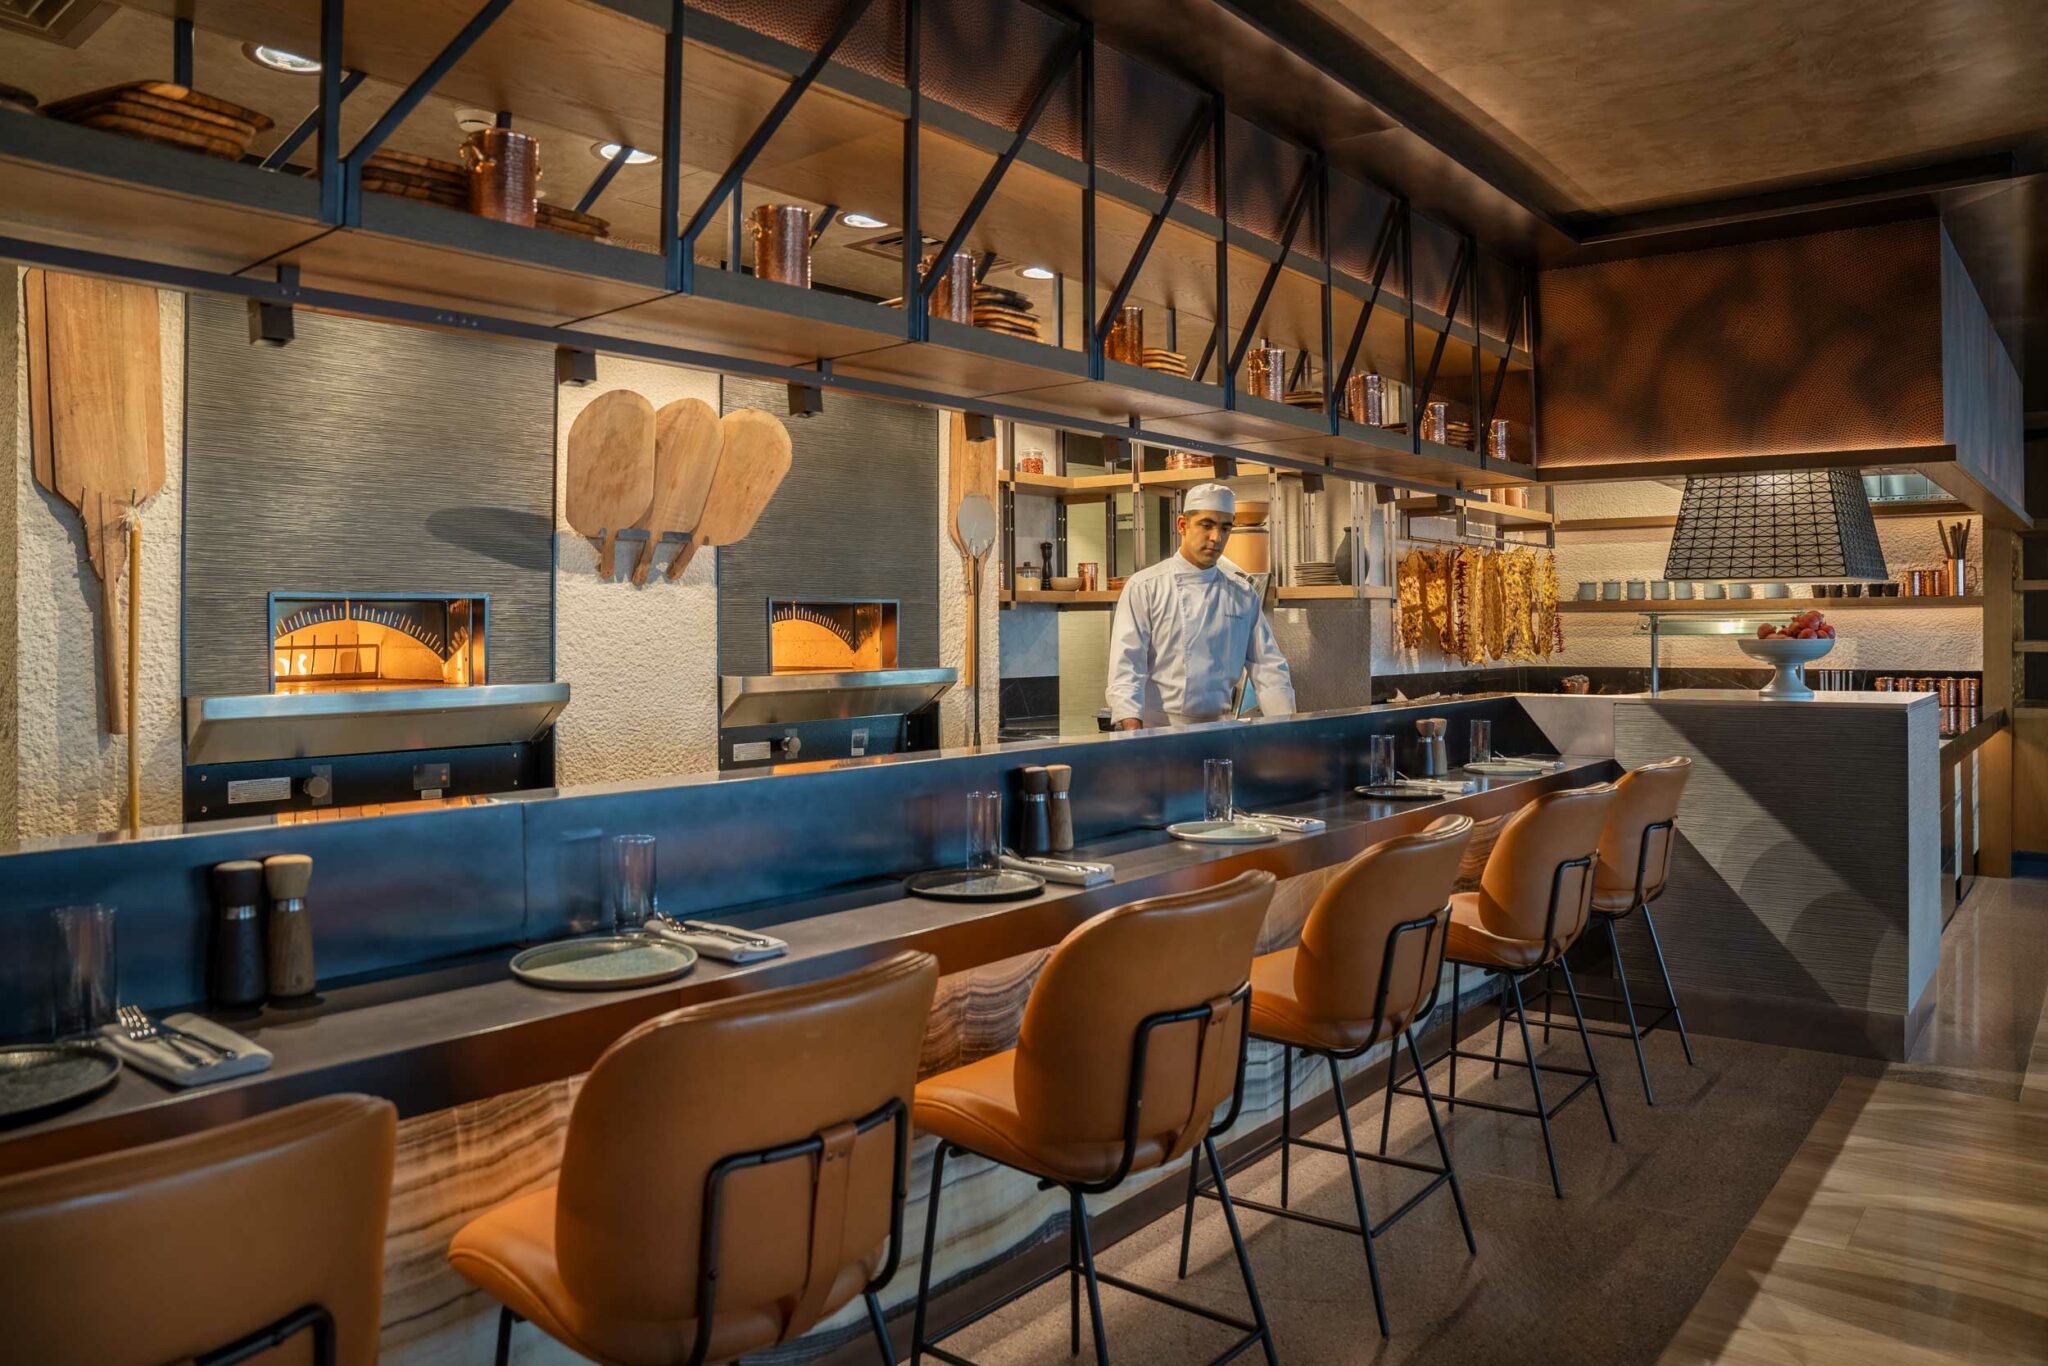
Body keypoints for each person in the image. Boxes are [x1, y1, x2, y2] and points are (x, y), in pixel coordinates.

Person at [1105, 482, 1296, 729]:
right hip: (1158, 731)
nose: (1216, 538)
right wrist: (1133, 735)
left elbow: (1268, 668)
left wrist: (1288, 730)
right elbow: (1126, 667)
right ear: (1182, 525)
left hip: (1220, 729)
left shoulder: (1242, 593)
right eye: (1207, 525)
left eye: (1225, 528)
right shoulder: (1145, 586)